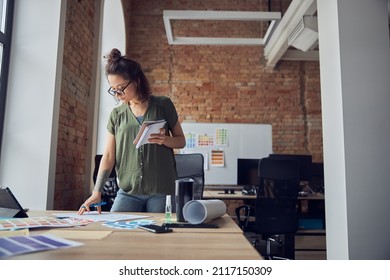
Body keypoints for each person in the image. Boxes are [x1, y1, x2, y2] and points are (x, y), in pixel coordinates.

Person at [78, 48, 185, 215]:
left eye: (121, 87)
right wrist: (96, 191)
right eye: (113, 89)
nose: (117, 93)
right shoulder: (117, 114)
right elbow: (108, 156)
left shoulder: (163, 105)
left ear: (137, 81)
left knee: (160, 237)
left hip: (161, 190)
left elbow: (181, 141)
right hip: (128, 192)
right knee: (115, 233)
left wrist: (165, 139)